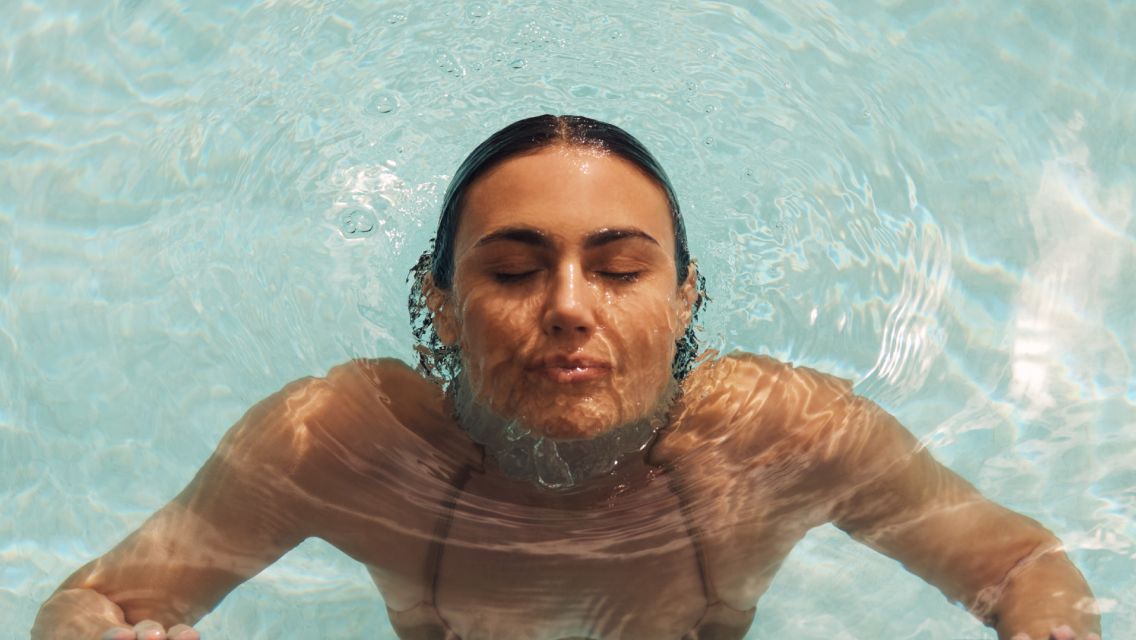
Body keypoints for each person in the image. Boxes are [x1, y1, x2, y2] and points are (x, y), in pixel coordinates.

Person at [33, 115, 1101, 640]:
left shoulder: (782, 434)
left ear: (684, 297)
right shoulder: (337, 443)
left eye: (620, 265)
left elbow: (1014, 561)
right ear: (442, 302)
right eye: (511, 267)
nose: (569, 305)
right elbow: (93, 600)